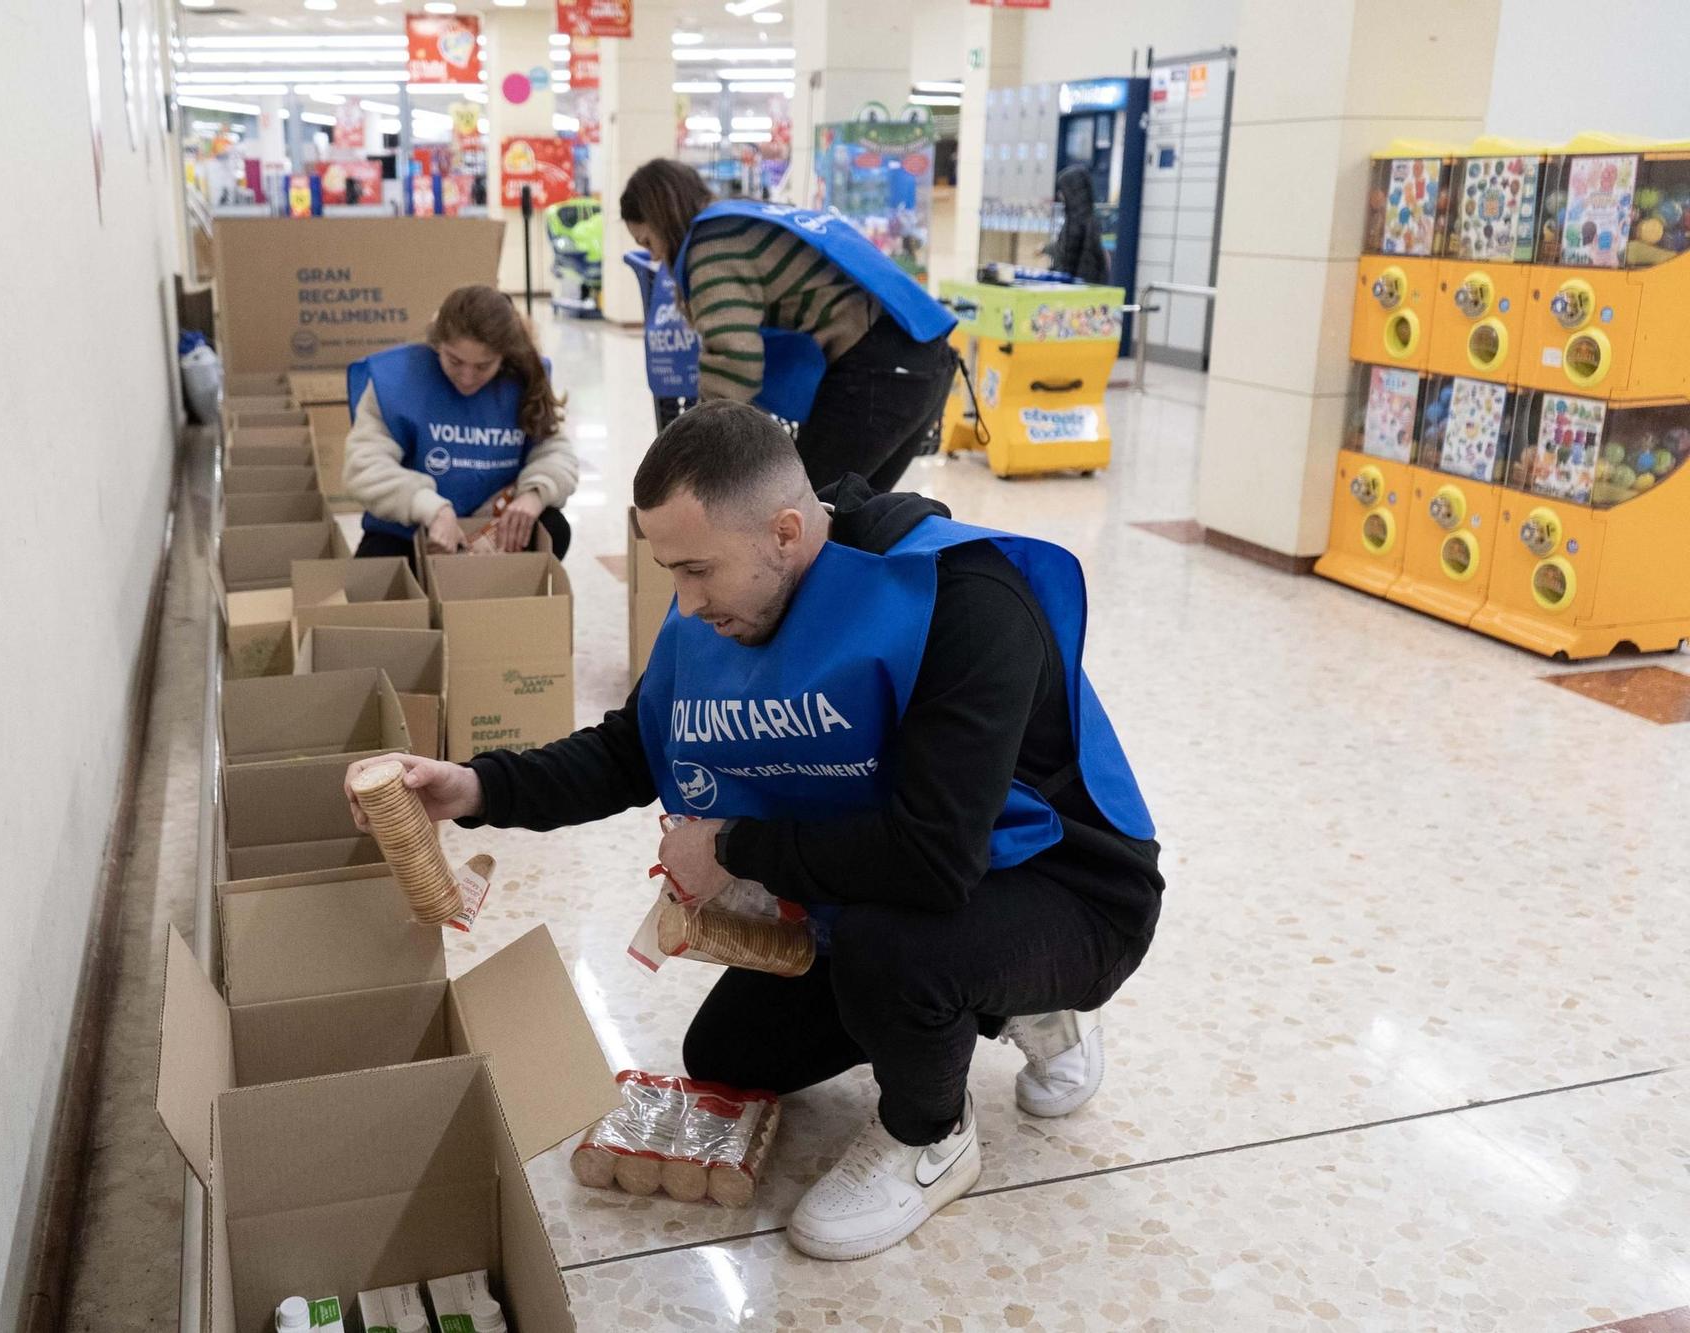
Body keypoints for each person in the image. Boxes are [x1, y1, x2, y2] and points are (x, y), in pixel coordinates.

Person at [344, 401, 1165, 1262]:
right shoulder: (728, 596)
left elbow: (934, 857)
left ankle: (933, 1131)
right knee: (728, 1053)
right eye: (669, 571)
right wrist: (472, 785)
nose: (685, 603)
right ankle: (985, 1004)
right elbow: (634, 748)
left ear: (784, 531)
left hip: (1064, 887)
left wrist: (731, 847)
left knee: (899, 954)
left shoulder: (961, 599)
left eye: (697, 570)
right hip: (898, 873)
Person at [618, 158, 959, 494]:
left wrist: (693, 452)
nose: (655, 258)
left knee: (802, 512)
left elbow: (733, 358)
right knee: (850, 514)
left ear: (662, 216)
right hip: (920, 354)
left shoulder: (711, 245)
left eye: (649, 243)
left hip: (878, 368)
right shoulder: (738, 217)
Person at [342, 284, 578, 560]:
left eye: (483, 366)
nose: (467, 377)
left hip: (492, 530)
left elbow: (556, 453)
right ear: (437, 344)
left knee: (554, 528)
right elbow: (364, 466)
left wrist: (535, 495)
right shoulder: (398, 381)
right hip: (413, 528)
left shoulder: (524, 379)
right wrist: (432, 509)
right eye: (454, 361)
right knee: (372, 580)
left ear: (504, 357)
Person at [1043, 164, 1110, 284]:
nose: (1060, 195)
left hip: (1076, 289)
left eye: (1063, 190)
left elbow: (1068, 259)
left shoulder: (1076, 223)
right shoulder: (1089, 219)